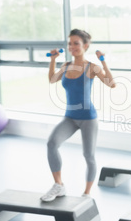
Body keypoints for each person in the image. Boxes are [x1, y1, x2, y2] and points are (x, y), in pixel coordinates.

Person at [41, 29, 116, 202]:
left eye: (76, 43)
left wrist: (103, 61)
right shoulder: (66, 66)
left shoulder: (92, 67)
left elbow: (112, 84)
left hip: (88, 118)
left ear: (85, 46)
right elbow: (52, 79)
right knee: (52, 143)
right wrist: (53, 60)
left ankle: (87, 193)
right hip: (70, 117)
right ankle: (58, 185)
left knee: (88, 155)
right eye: (70, 43)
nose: (72, 46)